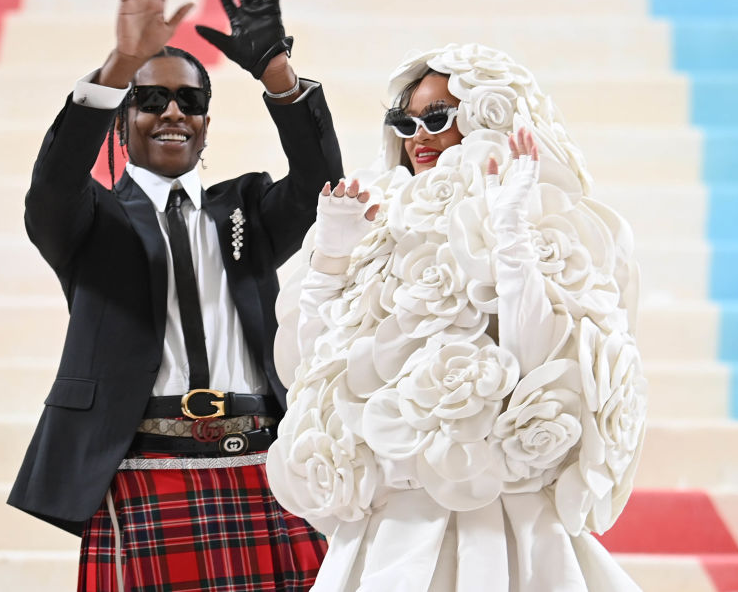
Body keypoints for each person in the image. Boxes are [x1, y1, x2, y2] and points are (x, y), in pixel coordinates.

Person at [7, 0, 341, 591]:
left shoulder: (244, 208)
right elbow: (51, 185)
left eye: (189, 101)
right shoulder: (89, 221)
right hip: (140, 468)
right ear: (123, 120)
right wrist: (119, 66)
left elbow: (320, 187)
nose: (171, 113)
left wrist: (277, 73)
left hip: (262, 462)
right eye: (150, 99)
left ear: (207, 124)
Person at [266, 43, 646, 590]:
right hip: (394, 519)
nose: (418, 135)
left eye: (438, 118)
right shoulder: (380, 221)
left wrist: (511, 234)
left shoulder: (549, 223)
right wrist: (330, 262)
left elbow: (539, 364)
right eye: (404, 122)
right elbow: (319, 370)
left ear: (485, 116)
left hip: (502, 519)